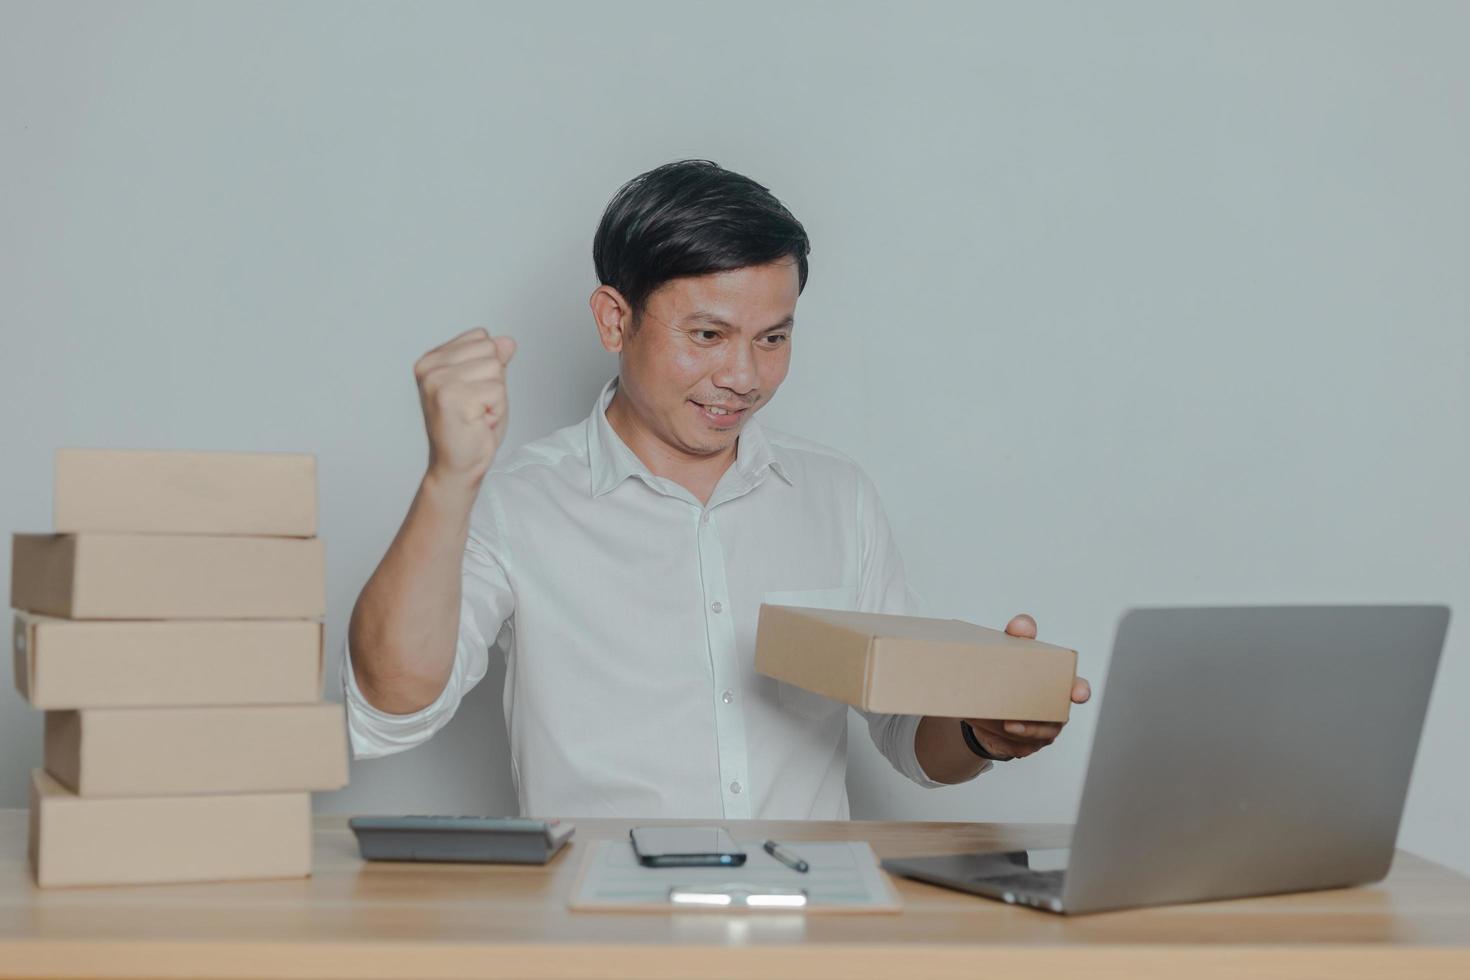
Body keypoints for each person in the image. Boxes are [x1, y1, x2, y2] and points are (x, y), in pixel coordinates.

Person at [344, 159, 1091, 819]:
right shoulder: (516, 503)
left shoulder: (837, 495)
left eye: (773, 337)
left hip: (808, 929)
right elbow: (391, 711)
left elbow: (906, 736)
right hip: (602, 934)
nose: (744, 377)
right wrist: (449, 479)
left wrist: (981, 730)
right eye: (707, 336)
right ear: (614, 319)